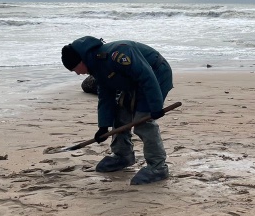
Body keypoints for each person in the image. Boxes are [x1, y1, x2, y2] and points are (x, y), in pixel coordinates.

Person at [61, 36, 174, 185]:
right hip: (131, 82)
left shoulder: (118, 54)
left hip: (156, 74)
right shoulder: (96, 65)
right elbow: (105, 95)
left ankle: (158, 167)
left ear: (81, 61)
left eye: (75, 69)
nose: (77, 73)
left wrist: (155, 106)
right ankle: (123, 155)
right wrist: (103, 126)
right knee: (120, 115)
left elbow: (147, 77)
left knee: (143, 121)